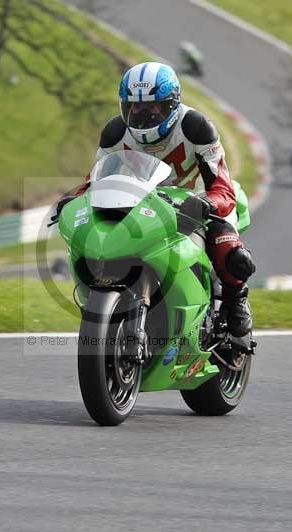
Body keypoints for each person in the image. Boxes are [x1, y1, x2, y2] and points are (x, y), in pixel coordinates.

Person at [56, 62, 255, 338]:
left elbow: (223, 187)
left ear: (172, 104)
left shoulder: (196, 128)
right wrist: (73, 201)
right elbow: (94, 181)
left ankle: (236, 300)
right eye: (135, 107)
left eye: (153, 107)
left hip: (198, 202)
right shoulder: (115, 133)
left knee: (227, 247)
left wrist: (208, 204)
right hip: (144, 203)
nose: (143, 115)